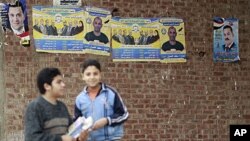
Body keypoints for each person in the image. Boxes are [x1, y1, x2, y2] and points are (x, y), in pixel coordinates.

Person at [24, 67, 88, 141]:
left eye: (62, 82)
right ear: (47, 86)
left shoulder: (62, 107)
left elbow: (70, 133)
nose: (63, 85)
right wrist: (61, 139)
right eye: (58, 82)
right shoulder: (35, 107)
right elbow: (32, 138)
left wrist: (79, 138)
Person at [74, 59, 129, 141]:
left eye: (95, 74)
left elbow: (124, 115)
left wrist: (107, 120)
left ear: (100, 75)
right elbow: (77, 122)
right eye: (88, 74)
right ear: (83, 77)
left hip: (111, 138)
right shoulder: (80, 99)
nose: (92, 77)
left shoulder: (111, 93)